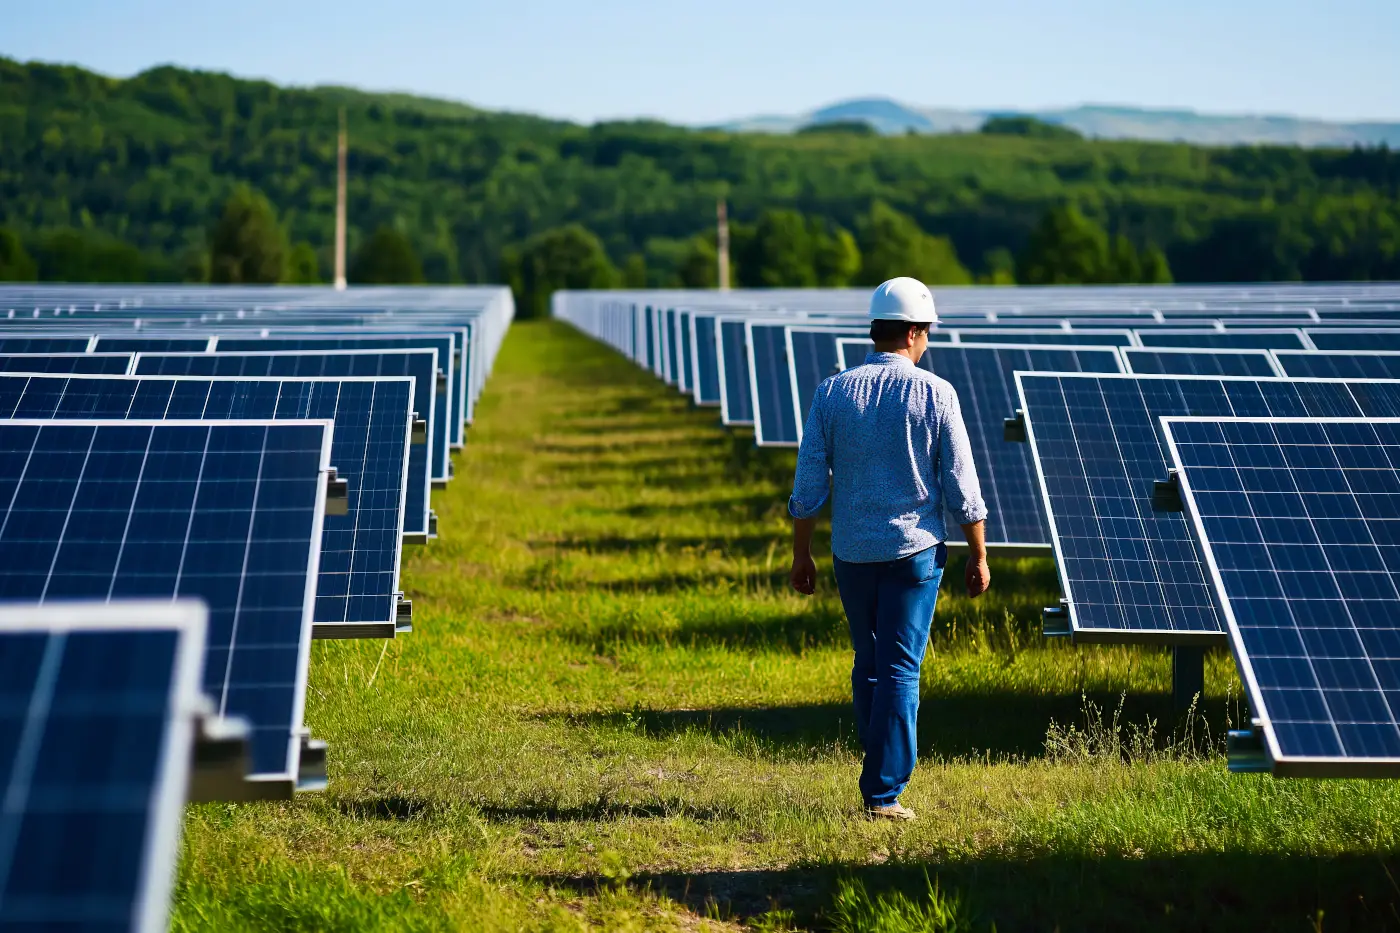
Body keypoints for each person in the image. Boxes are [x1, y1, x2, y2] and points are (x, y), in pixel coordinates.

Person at [787, 276, 990, 822]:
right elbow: (961, 483)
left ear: (878, 330)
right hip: (914, 553)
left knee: (869, 661)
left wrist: (800, 552)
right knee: (901, 667)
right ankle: (883, 792)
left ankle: (877, 760)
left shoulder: (832, 392)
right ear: (916, 332)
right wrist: (979, 553)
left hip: (851, 552)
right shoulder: (936, 393)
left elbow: (809, 481)